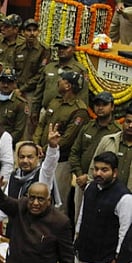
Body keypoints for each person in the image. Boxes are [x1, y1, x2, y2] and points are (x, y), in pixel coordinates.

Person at [35, 71, 89, 210]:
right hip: (40, 154)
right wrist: (36, 144)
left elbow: (67, 139)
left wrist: (46, 148)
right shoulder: (55, 101)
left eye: (62, 80)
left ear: (68, 86)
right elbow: (42, 123)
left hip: (61, 161)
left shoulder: (79, 110)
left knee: (57, 201)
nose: (58, 82)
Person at [75, 152, 132, 263]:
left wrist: (117, 259)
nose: (98, 173)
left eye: (104, 170)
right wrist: (77, 238)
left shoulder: (125, 197)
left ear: (115, 172)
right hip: (81, 257)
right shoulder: (90, 187)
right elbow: (82, 216)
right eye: (96, 169)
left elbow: (124, 232)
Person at [0, 128, 61, 229]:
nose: (25, 160)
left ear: (38, 157)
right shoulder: (14, 176)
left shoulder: (43, 175)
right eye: (21, 157)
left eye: (30, 157)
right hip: (16, 229)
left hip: (38, 229)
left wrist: (52, 147)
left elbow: (50, 163)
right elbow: (6, 205)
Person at [69, 92, 119, 217]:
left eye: (104, 104)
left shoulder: (117, 131)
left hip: (103, 185)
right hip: (81, 183)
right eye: (97, 104)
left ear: (112, 107)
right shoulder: (87, 127)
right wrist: (80, 175)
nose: (100, 107)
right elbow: (74, 152)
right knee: (77, 218)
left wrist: (92, 177)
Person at [29, 39, 88, 135]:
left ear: (73, 50)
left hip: (66, 114)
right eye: (59, 48)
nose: (61, 50)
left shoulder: (79, 69)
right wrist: (35, 110)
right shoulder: (49, 67)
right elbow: (39, 90)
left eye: (65, 48)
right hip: (46, 111)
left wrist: (79, 115)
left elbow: (83, 96)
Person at [90, 105, 132, 188]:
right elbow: (93, 168)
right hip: (105, 193)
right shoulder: (107, 140)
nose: (130, 126)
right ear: (123, 121)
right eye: (128, 121)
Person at [0, 68, 28, 146]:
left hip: (8, 144)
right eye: (3, 81)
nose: (5, 85)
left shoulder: (20, 104)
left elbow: (19, 130)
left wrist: (4, 142)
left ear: (15, 83)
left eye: (9, 82)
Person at [14, 19, 49, 98]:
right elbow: (12, 67)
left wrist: (22, 89)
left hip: (33, 90)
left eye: (34, 30)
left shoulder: (44, 50)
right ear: (23, 33)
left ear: (38, 32)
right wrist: (15, 87)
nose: (32, 33)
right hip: (16, 88)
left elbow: (40, 74)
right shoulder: (18, 48)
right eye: (29, 30)